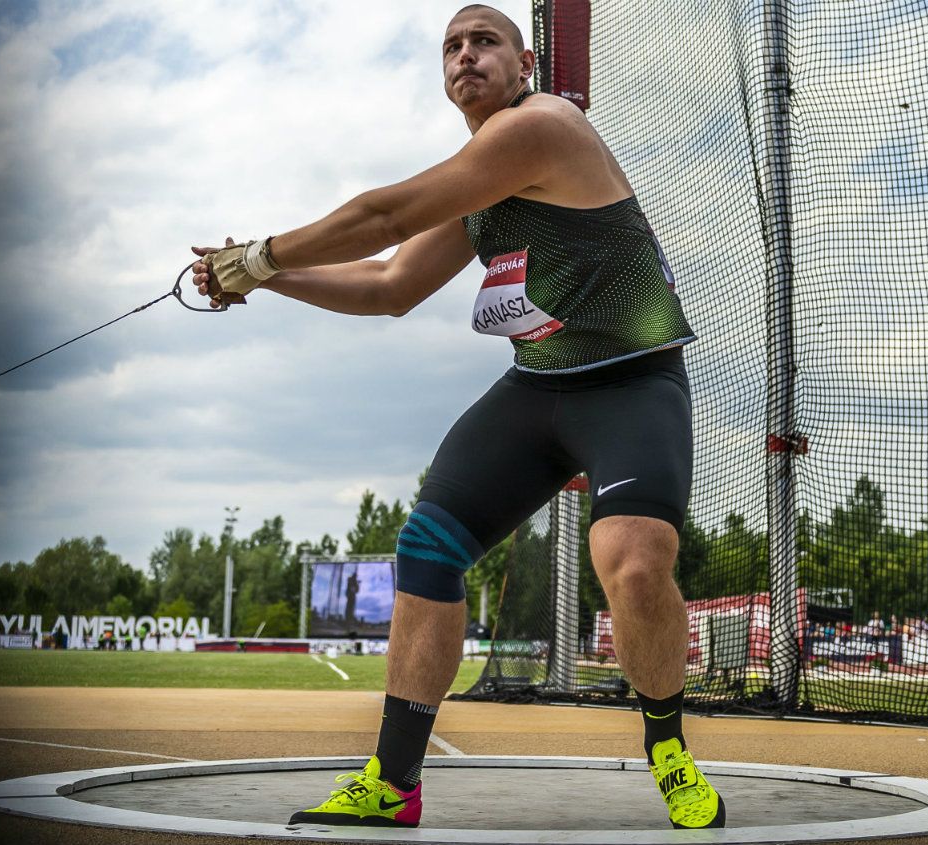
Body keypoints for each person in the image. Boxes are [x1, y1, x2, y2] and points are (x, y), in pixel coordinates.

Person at [190, 4, 720, 830]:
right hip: (539, 387)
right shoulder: (479, 178)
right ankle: (394, 781)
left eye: (485, 41)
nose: (466, 54)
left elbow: (383, 217)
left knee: (632, 559)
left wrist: (258, 256)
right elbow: (388, 286)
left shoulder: (542, 126)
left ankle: (669, 750)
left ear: (526, 65)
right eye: (451, 46)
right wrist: (266, 281)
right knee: (425, 550)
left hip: (631, 382)